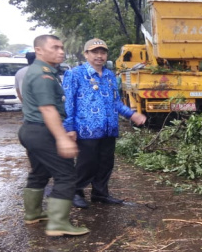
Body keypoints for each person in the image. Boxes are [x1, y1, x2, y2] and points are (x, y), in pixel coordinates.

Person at [18, 35, 89, 237]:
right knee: (66, 175)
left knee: (40, 172)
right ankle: (58, 224)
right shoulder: (43, 75)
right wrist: (62, 138)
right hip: (42, 131)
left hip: (31, 131)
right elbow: (48, 110)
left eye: (61, 47)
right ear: (39, 50)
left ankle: (33, 214)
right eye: (55, 47)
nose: (61, 51)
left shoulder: (41, 71)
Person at [63, 38, 147, 209]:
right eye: (95, 52)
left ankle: (100, 193)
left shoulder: (109, 75)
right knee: (87, 163)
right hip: (87, 128)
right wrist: (69, 127)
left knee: (105, 162)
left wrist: (132, 115)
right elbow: (68, 103)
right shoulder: (75, 74)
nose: (99, 56)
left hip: (109, 128)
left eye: (103, 52)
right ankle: (76, 192)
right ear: (86, 54)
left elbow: (115, 102)